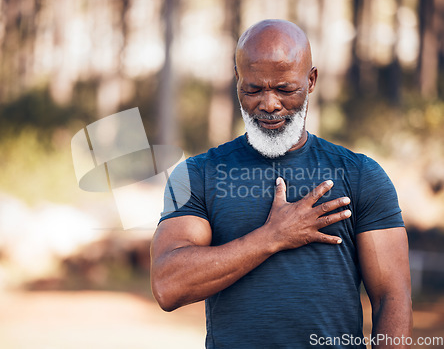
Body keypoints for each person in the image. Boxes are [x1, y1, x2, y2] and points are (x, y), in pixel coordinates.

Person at [150, 19, 412, 348]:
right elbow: (168, 285)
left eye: (285, 89)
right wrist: (273, 237)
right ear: (237, 79)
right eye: (253, 89)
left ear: (311, 80)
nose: (270, 104)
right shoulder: (198, 174)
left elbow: (392, 297)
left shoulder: (360, 174)